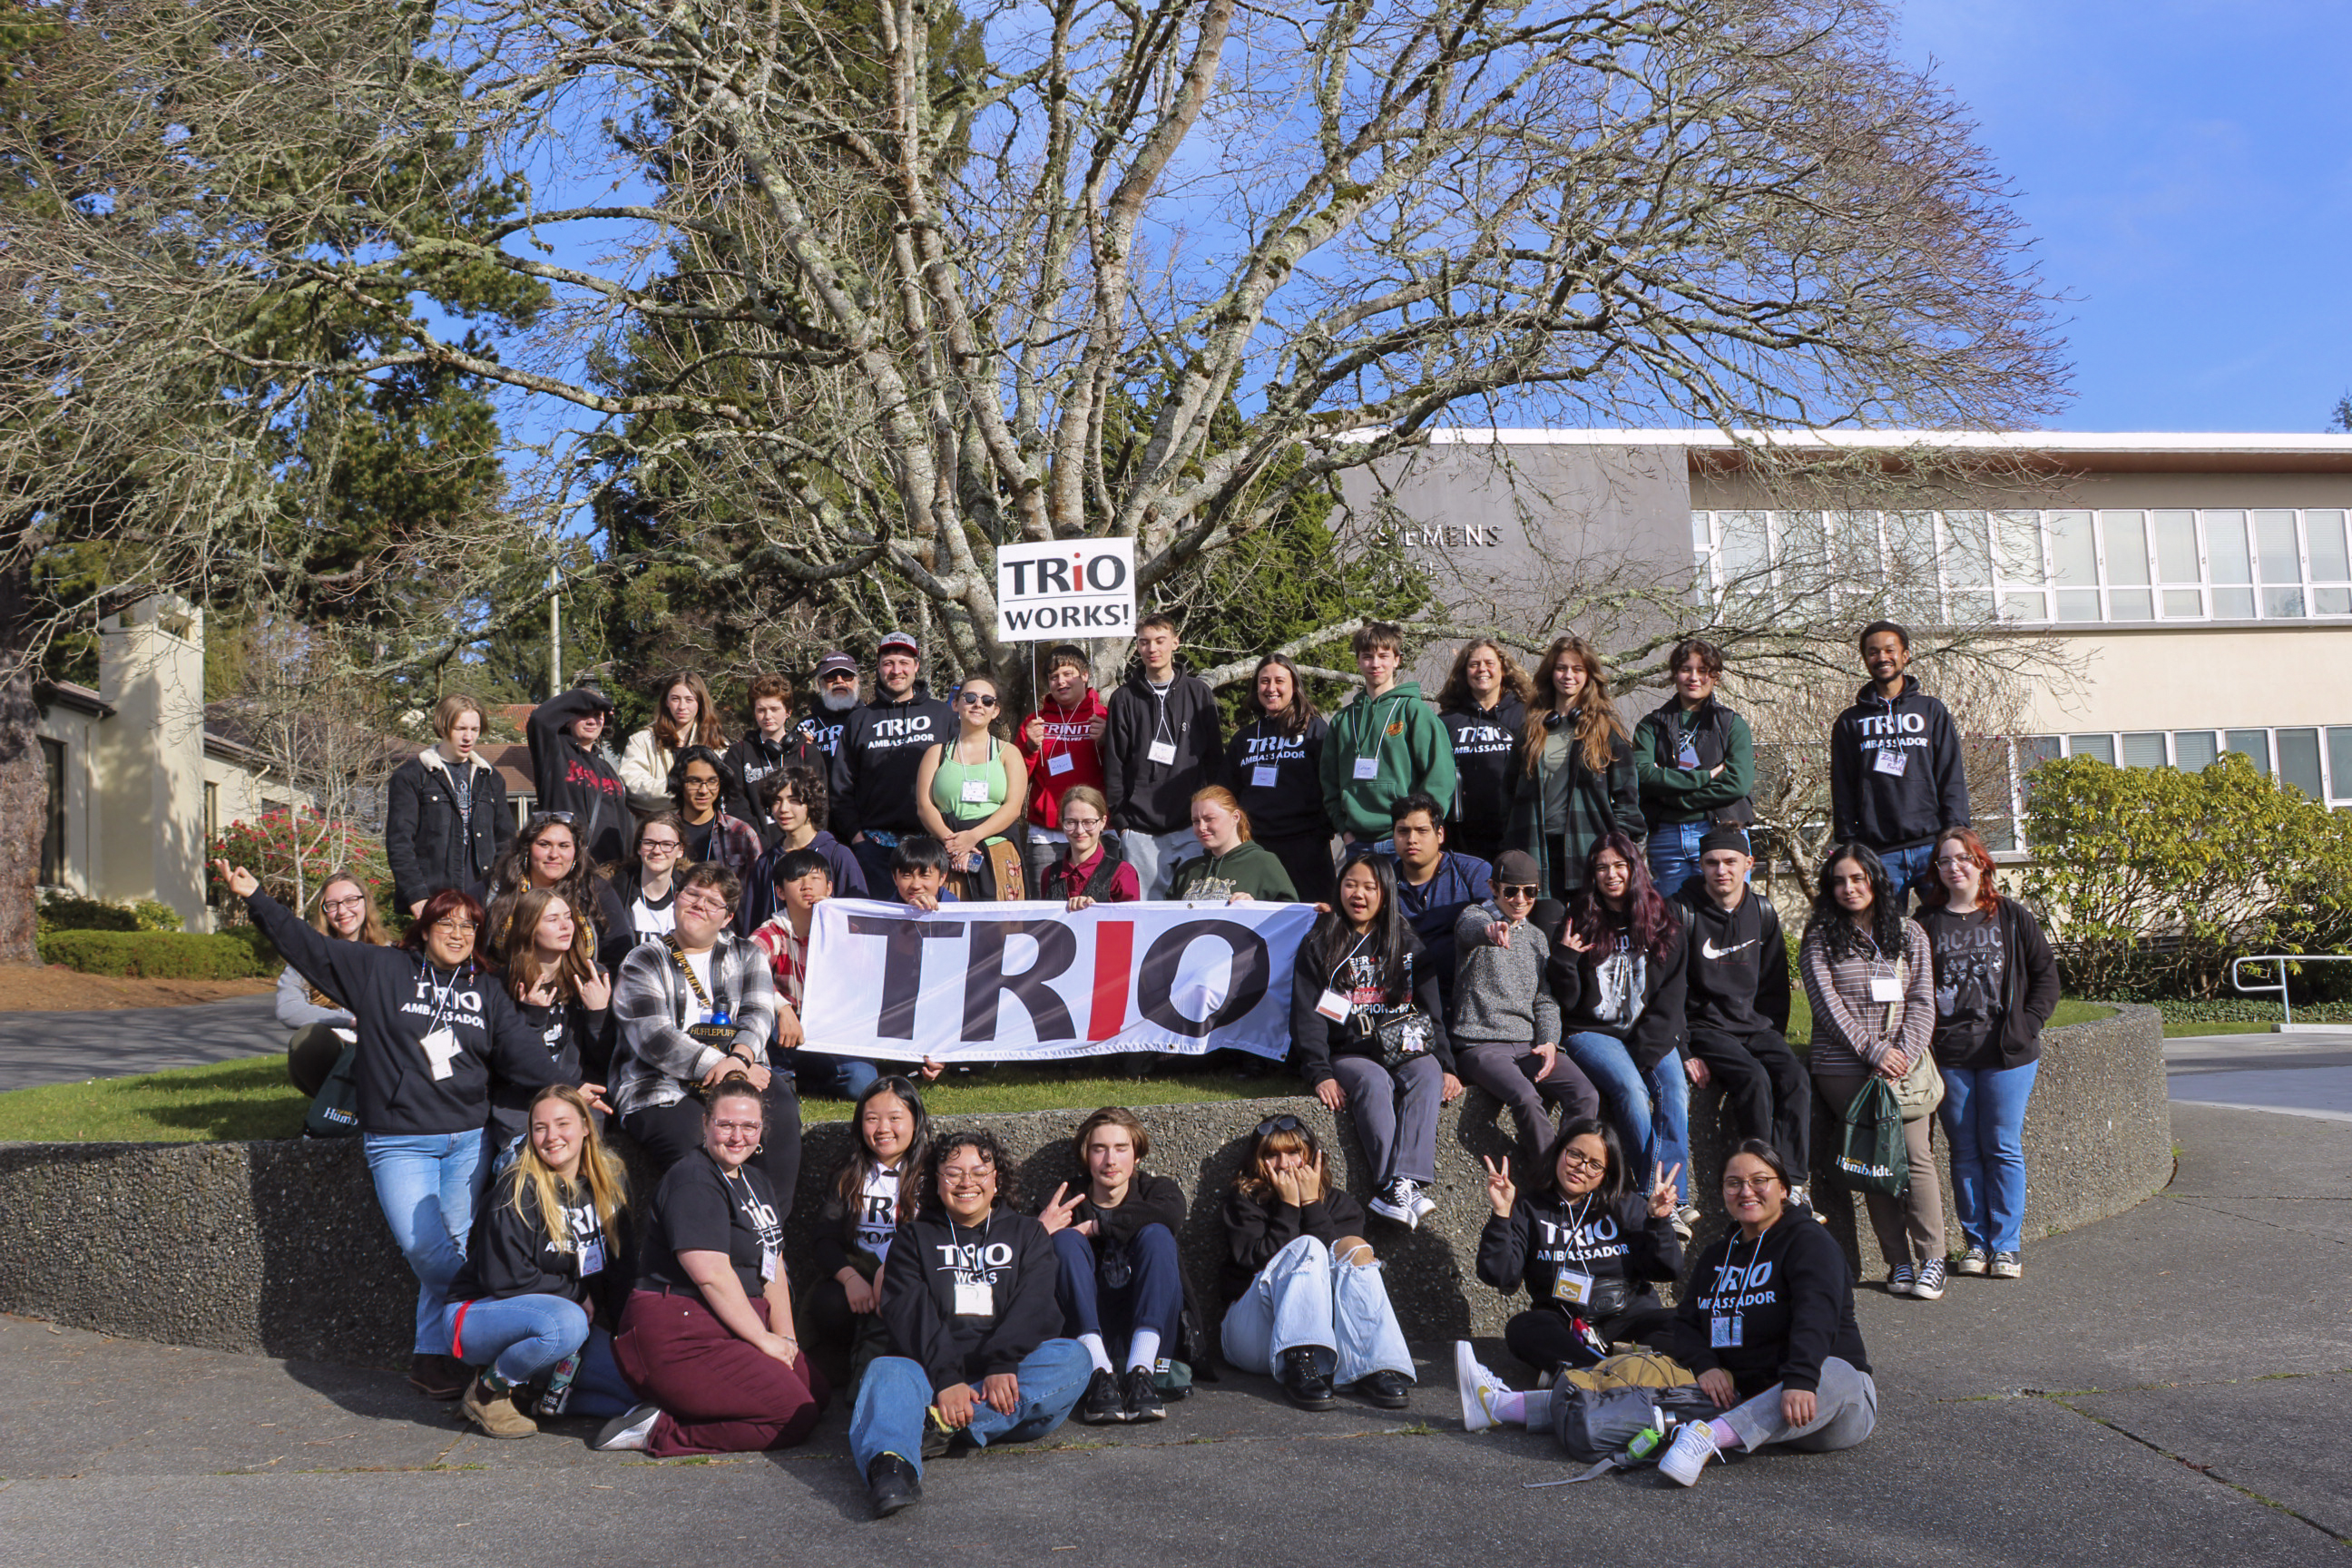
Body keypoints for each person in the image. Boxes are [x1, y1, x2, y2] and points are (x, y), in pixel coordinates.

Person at [220, 863, 565, 1401]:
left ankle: (435, 1359)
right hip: (400, 1141)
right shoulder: (380, 969)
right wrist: (257, 897)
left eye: (468, 927)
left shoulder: (485, 988)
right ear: (423, 930)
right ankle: (489, 1316)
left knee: (451, 1244)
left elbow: (519, 1052)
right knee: (427, 1249)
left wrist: (568, 1088)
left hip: (466, 1141)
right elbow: (307, 947)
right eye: (446, 924)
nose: (457, 935)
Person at [848, 1130, 1093, 1519]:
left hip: (1007, 1377)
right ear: (936, 1179)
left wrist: (1001, 1363)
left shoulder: (1028, 1234)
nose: (967, 1182)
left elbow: (1036, 1306)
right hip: (931, 1375)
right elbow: (910, 1312)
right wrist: (946, 1379)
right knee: (886, 1370)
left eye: (980, 1172)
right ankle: (892, 1470)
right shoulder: (913, 1238)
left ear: (997, 1179)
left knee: (1074, 1359)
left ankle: (935, 1426)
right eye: (954, 1172)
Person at [599, 1081, 830, 1455]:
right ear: (705, 1124)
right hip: (682, 1330)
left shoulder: (755, 1180)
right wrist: (762, 1340)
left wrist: (786, 1340)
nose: (738, 1137)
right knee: (792, 1415)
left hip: (731, 1324)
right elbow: (712, 1275)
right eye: (726, 1125)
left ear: (761, 1130)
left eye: (749, 1127)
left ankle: (692, 1405)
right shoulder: (693, 1180)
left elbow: (774, 1264)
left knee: (816, 1396)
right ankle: (659, 1430)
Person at [1656, 1140, 1877, 1485]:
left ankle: (1707, 1438)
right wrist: (1705, 1364)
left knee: (1838, 1371)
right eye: (1734, 1183)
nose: (1747, 1191)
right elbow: (1685, 1321)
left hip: (1820, 1402)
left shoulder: (1810, 1241)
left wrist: (1802, 1378)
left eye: (1760, 1180)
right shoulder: (1716, 1255)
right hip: (1747, 1396)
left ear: (1784, 1189)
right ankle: (1551, 1408)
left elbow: (1816, 1315)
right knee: (1646, 1378)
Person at [1455, 1118, 1684, 1432]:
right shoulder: (1529, 1208)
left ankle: (1576, 1378)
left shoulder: (1627, 1205)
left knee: (1685, 1326)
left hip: (1629, 1317)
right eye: (1575, 1155)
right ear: (1559, 1152)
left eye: (1594, 1165)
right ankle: (1615, 1376)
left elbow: (1668, 1269)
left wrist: (1658, 1221)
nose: (1581, 1168)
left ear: (1607, 1173)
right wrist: (1501, 1215)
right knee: (1523, 1328)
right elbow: (1499, 1274)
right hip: (1566, 1320)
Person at [437, 1083, 640, 1437]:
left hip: (562, 1327)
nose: (551, 1137)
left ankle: (531, 1397)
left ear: (585, 1126)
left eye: (563, 1124)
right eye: (540, 1127)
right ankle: (487, 1392)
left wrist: (632, 1337)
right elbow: (503, 1278)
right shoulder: (516, 1188)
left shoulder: (607, 1182)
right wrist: (577, 1295)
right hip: (479, 1315)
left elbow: (619, 1269)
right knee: (567, 1323)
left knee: (636, 1391)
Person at [609, 863, 802, 1214]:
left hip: (742, 1071)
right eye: (692, 894)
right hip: (660, 1084)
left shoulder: (747, 955)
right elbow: (654, 1037)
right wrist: (723, 1066)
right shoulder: (642, 960)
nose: (699, 904)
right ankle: (708, 1242)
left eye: (713, 902)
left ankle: (772, 1232)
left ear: (727, 917)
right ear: (677, 899)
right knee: (696, 1144)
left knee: (783, 1110)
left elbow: (758, 1013)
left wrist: (741, 1060)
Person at [1800, 843, 1944, 1299]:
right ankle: (1897, 1263)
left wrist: (1899, 1053)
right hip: (1844, 1069)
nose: (1849, 888)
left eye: (1858, 879)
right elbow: (1825, 1005)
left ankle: (1933, 1260)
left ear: (1876, 881)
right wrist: (1872, 1051)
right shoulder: (1820, 937)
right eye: (1839, 880)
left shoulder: (1909, 933)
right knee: (1875, 1161)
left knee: (1916, 1155)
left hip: (1905, 1067)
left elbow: (1922, 1001)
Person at [1289, 853, 1462, 1228]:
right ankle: (1391, 1185)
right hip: (1349, 1052)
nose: (1359, 894)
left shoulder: (1407, 942)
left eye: (1370, 887)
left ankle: (1403, 1182)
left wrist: (1448, 1065)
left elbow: (1432, 1010)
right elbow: (1308, 1015)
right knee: (1373, 1080)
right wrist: (1319, 1072)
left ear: (1386, 893)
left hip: (1401, 1045)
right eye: (1350, 884)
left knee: (1427, 1072)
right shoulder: (1320, 943)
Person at [1921, 827, 2060, 1280]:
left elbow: (2046, 977)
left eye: (1962, 858)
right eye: (1944, 861)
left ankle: (2006, 1247)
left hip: (2007, 1054)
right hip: (1950, 1054)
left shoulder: (2012, 917)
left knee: (2001, 1147)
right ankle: (1975, 1244)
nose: (1954, 867)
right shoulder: (1926, 923)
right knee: (1963, 1150)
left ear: (1981, 863)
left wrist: (2028, 1025)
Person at [1218, 1115, 1414, 1412]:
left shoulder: (1340, 1205)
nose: (1285, 1164)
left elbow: (1335, 1269)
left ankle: (1374, 1366)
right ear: (1258, 1161)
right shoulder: (1245, 1201)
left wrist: (1311, 1205)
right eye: (1272, 1155)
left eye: (1294, 1153)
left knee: (1355, 1248)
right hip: (1252, 1334)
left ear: (1312, 1156)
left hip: (1329, 1342)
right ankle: (1299, 1365)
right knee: (1307, 1246)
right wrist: (1288, 1207)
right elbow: (1256, 1260)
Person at [1553, 833, 1696, 1220]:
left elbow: (1671, 997)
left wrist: (1645, 1052)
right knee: (1631, 1090)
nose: (1611, 874)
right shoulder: (1579, 916)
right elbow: (1566, 1002)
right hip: (1591, 1032)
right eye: (1601, 867)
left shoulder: (1663, 920)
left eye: (1619, 865)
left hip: (1647, 1031)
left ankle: (1669, 1198)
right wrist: (1565, 959)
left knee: (1674, 1090)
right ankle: (1662, 1200)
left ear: (1635, 868)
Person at [1036, 1107, 1198, 1426]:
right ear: (1086, 1155)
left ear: (1136, 1156)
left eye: (1121, 1149)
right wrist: (1039, 1232)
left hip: (1150, 1336)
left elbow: (1170, 1216)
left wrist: (1097, 1228)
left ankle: (1141, 1373)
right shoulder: (1063, 1200)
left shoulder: (1158, 1192)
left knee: (1157, 1234)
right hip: (1086, 1339)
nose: (1110, 1160)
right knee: (1066, 1241)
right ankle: (1099, 1373)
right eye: (1100, 1149)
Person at [1676, 825, 1812, 1201]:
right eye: (1712, 863)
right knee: (1753, 1080)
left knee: (1795, 1077)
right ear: (1701, 866)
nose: (1722, 870)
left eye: (1731, 862)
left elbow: (1773, 985)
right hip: (1705, 1026)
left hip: (1754, 1026)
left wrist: (1775, 1038)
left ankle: (1795, 1183)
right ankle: (1761, 1178)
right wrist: (1684, 1049)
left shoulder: (1763, 911)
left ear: (1748, 864)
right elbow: (1667, 990)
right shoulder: (1682, 912)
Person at [1448, 849, 1598, 1162]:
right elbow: (1471, 929)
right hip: (1481, 1044)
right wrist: (1491, 931)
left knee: (1585, 1093)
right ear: (1493, 888)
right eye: (1511, 890)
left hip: (1528, 1043)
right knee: (1526, 1097)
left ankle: (1569, 1165)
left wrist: (1549, 1042)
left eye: (1529, 892)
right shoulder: (1475, 916)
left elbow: (1545, 999)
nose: (1520, 899)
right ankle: (1549, 1178)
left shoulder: (1537, 938)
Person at [802, 1075, 930, 1393]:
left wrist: (893, 1271)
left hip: (912, 1274)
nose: (882, 1128)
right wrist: (850, 1279)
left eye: (895, 1118)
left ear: (916, 1121)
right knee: (828, 1303)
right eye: (871, 1119)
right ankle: (846, 1367)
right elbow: (824, 1237)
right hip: (860, 1271)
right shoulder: (850, 1173)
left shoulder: (933, 1173)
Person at [1828, 621, 1970, 904]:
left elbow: (1950, 773)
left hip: (1933, 848)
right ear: (1865, 660)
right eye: (1872, 652)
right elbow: (1842, 784)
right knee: (1884, 937)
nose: (1882, 657)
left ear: (1905, 655)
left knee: (1944, 929)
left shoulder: (1932, 710)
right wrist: (1851, 841)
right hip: (1879, 853)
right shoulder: (1850, 721)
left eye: (1889, 650)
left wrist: (1956, 835)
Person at [747, 847, 898, 1102]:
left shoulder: (848, 929)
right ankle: (785, 1075)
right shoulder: (772, 932)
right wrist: (782, 1008)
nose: (807, 886)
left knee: (862, 1084)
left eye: (815, 879)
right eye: (797, 879)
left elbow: (875, 972)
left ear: (829, 888)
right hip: (784, 1030)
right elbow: (746, 970)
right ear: (780, 892)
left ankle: (802, 1081)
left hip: (832, 1028)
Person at [1505, 634, 1644, 902]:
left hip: (1589, 848)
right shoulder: (1531, 731)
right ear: (1550, 673)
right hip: (1537, 848)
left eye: (1577, 669)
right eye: (1561, 668)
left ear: (1589, 675)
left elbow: (1628, 801)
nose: (1568, 675)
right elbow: (1507, 796)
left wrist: (1616, 848)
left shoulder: (1607, 731)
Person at [1101, 612, 1223, 897]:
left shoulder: (1198, 693)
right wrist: (1122, 824)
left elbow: (1215, 758)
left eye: (1159, 640)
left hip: (1192, 826)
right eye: (1144, 642)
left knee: (1195, 909)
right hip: (1139, 830)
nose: (1151, 648)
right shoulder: (1124, 698)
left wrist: (1211, 815)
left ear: (1175, 643)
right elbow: (1115, 763)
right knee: (1144, 914)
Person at [831, 632, 956, 896]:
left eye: (904, 662)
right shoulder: (860, 720)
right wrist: (857, 839)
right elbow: (841, 786)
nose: (896, 670)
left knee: (932, 931)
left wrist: (949, 836)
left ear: (917, 666)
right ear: (878, 668)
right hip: (875, 850)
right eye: (888, 663)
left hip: (932, 846)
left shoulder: (942, 715)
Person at [490, 887, 614, 1149]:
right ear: (529, 928)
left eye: (568, 917)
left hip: (581, 1101)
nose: (565, 926)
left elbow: (606, 1061)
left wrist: (598, 1014)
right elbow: (514, 1064)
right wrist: (533, 1018)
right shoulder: (501, 983)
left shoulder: (593, 977)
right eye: (552, 919)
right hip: (523, 1107)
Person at [1632, 638, 1755, 901]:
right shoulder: (1650, 726)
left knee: (1728, 916)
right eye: (1686, 669)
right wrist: (1703, 777)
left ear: (1716, 676)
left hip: (1720, 832)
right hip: (1667, 837)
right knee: (1675, 923)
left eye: (1703, 671)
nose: (1694, 677)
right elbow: (1641, 774)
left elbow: (1737, 784)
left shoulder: (1732, 724)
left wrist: (1671, 795)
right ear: (1674, 673)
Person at [1321, 620, 1456, 850]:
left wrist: (1420, 830)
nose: (1375, 664)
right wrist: (1344, 830)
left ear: (1397, 660)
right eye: (1367, 656)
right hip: (1357, 842)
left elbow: (1440, 777)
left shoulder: (1415, 712)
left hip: (1404, 841)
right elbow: (1329, 783)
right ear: (1358, 661)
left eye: (1384, 656)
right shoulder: (1343, 720)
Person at [386, 692, 512, 918]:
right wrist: (416, 896)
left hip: (483, 902)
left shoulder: (491, 779)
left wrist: (500, 892)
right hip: (433, 901)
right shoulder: (413, 776)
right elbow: (399, 843)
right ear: (443, 727)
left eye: (474, 730)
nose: (468, 737)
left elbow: (506, 843)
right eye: (460, 728)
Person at [1223, 652, 1335, 905]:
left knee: (1313, 922)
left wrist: (1322, 830)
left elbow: (1331, 783)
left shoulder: (1315, 730)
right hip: (1257, 848)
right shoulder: (1244, 738)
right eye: (1264, 681)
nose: (1271, 688)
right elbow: (1227, 792)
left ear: (1294, 686)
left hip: (1306, 849)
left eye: (1279, 681)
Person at [914, 671, 1029, 900]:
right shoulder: (936, 753)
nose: (978, 704)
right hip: (948, 852)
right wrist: (954, 844)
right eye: (970, 698)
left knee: (1002, 930)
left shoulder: (1009, 753)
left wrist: (973, 837)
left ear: (995, 711)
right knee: (949, 929)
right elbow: (925, 807)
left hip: (997, 849)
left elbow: (1013, 807)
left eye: (987, 701)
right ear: (956, 704)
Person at [1377, 791, 1492, 1019]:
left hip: (1466, 997)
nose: (1412, 839)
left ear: (1440, 834)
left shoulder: (1474, 872)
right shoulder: (1380, 879)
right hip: (1401, 998)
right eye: (1403, 831)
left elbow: (1490, 925)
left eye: (1422, 831)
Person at [275, 872, 391, 1097]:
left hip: (382, 1046)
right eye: (332, 904)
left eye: (350, 900)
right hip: (337, 1045)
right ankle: (331, 1110)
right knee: (309, 1039)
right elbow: (287, 1007)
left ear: (365, 902)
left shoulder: (392, 953)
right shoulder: (307, 955)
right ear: (324, 912)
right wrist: (348, 1022)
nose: (342, 911)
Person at [472, 812, 631, 970]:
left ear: (576, 852)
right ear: (527, 849)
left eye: (564, 846)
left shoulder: (595, 890)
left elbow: (618, 953)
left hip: (578, 989)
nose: (554, 855)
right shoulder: (497, 886)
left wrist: (600, 988)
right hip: (507, 989)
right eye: (544, 844)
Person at [1014, 643, 1109, 887]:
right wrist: (1031, 748)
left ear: (1085, 676)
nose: (1061, 682)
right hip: (1048, 834)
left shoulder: (1103, 716)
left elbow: (1122, 771)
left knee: (1099, 906)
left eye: (1068, 674)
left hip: (1095, 830)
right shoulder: (1035, 721)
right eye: (1054, 677)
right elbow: (1016, 778)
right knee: (1046, 912)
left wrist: (1107, 742)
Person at [736, 764, 867, 936]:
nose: (783, 809)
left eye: (794, 800)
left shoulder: (838, 855)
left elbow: (861, 920)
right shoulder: (766, 861)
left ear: (811, 804)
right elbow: (753, 924)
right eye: (777, 800)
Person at [1437, 639, 1533, 867]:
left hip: (1515, 832)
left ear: (1503, 668)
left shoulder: (1527, 716)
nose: (1482, 669)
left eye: (1489, 663)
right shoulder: (1447, 722)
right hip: (1461, 838)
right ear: (1463, 672)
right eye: (1474, 664)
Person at [525, 685, 628, 867]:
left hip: (611, 872)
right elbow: (539, 719)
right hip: (570, 868)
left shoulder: (607, 768)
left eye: (598, 715)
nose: (591, 721)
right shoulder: (554, 754)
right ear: (567, 719)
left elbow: (623, 825)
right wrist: (595, 699)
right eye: (583, 714)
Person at [724, 672, 827, 834]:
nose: (768, 716)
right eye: (761, 710)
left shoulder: (808, 753)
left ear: (788, 712)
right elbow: (736, 806)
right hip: (756, 847)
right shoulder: (738, 753)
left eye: (774, 709)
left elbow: (820, 806)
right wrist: (760, 844)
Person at [621, 671, 726, 817]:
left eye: (689, 700)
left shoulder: (717, 743)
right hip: (658, 829)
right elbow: (634, 786)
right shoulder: (641, 740)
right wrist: (683, 788)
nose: (682, 706)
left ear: (700, 703)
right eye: (675, 699)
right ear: (666, 702)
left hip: (702, 828)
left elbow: (723, 789)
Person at [1168, 787, 1298, 903]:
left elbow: (1290, 917)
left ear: (1235, 817)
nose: (1202, 827)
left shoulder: (1264, 863)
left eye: (1210, 819)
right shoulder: (1187, 870)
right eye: (1196, 821)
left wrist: (1256, 907)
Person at [1034, 785, 1141, 908]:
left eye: (1089, 822)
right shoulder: (1049, 874)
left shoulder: (1122, 873)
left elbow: (1130, 923)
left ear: (1102, 822)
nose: (1080, 830)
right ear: (1062, 822)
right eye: (1071, 822)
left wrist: (1097, 912)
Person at [670, 746, 763, 882]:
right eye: (694, 781)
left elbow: (757, 889)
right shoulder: (665, 832)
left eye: (712, 781)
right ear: (680, 783)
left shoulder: (741, 833)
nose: (703, 790)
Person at [611, 813, 687, 951]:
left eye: (667, 844)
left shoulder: (692, 895)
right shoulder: (615, 893)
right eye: (649, 843)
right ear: (639, 848)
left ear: (680, 850)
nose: (657, 851)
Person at [795, 650, 862, 760]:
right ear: (819, 684)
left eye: (846, 676)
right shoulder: (806, 726)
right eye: (830, 676)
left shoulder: (870, 718)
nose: (839, 681)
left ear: (857, 681)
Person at [888, 834, 958, 911]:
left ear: (942, 878)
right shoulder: (885, 914)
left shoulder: (956, 910)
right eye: (907, 876)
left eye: (925, 876)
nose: (916, 886)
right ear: (895, 878)